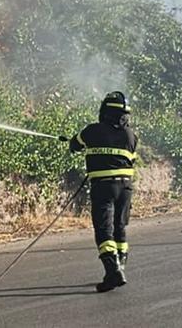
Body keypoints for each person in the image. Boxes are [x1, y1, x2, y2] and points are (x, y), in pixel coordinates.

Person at [64, 91, 138, 292]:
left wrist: (72, 142)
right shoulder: (131, 135)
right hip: (126, 187)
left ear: (105, 111)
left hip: (104, 186)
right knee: (119, 227)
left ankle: (113, 271)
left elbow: (75, 144)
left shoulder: (92, 131)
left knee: (104, 230)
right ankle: (118, 268)